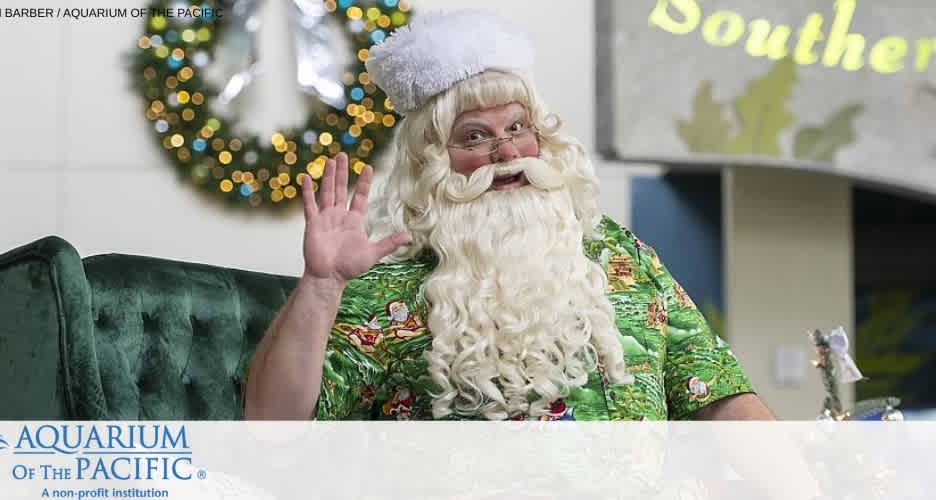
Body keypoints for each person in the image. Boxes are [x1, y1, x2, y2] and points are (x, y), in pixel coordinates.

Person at [244, 9, 773, 421]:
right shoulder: (387, 285)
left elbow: (722, 398)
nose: (507, 152)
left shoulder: (619, 255)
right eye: (475, 135)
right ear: (433, 161)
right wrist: (321, 283)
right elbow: (274, 424)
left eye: (518, 127)